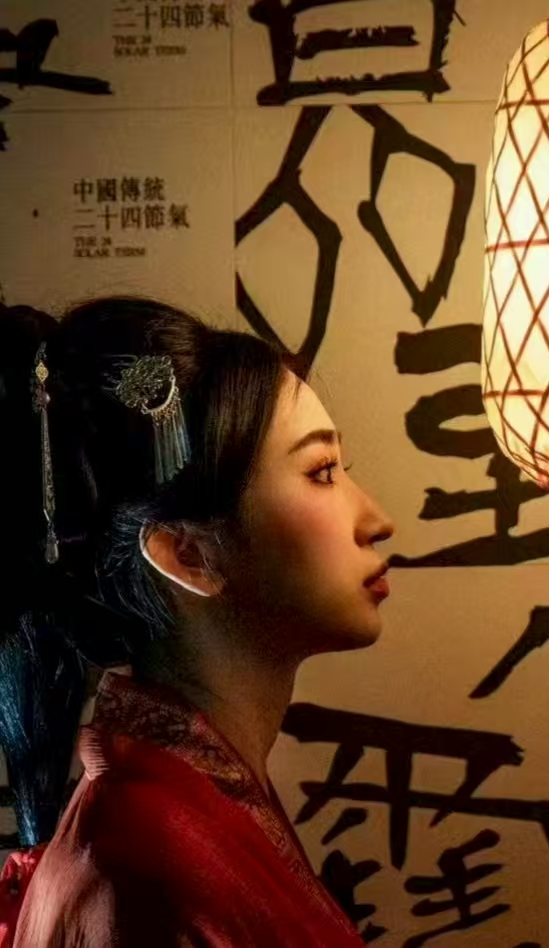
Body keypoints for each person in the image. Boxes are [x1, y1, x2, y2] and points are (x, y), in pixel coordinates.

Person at [0, 296, 395, 946]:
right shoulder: (147, 867)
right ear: (188, 555)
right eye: (322, 472)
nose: (377, 520)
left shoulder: (189, 799)